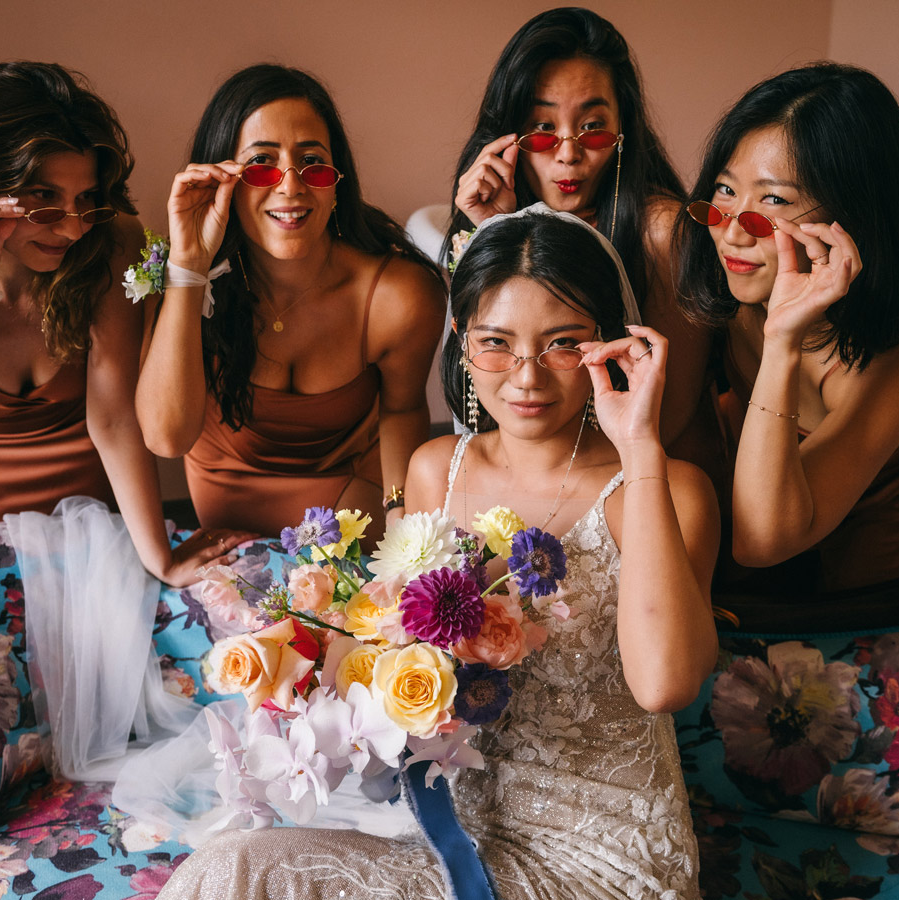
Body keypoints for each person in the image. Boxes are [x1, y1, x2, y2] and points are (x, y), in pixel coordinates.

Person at [157, 206, 720, 899]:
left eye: (563, 343)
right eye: (495, 342)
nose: (526, 377)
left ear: (609, 345)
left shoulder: (663, 488)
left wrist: (639, 444)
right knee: (233, 866)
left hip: (603, 858)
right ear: (460, 340)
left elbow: (663, 686)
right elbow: (391, 655)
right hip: (462, 839)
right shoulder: (434, 472)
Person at [0, 61, 236, 586]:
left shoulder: (110, 241)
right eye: (43, 198)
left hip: (101, 537)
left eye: (85, 199)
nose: (72, 227)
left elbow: (115, 419)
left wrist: (158, 559)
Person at [136, 65, 445, 539]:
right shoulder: (183, 276)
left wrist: (402, 518)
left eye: (312, 163)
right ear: (223, 176)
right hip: (225, 504)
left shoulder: (397, 296)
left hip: (347, 503)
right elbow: (165, 438)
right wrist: (188, 266)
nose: (290, 186)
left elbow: (402, 411)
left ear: (336, 179)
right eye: (262, 163)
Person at [677, 62, 899, 593]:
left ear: (850, 217)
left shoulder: (898, 355)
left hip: (860, 551)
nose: (732, 233)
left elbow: (762, 539)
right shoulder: (731, 278)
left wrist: (781, 340)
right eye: (725, 191)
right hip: (744, 521)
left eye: (774, 200)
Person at [445, 6, 715, 469]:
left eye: (592, 128)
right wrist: (492, 231)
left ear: (622, 128)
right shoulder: (498, 214)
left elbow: (670, 414)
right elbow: (477, 379)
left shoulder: (662, 234)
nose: (568, 154)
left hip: (649, 477)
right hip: (531, 485)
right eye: (543, 129)